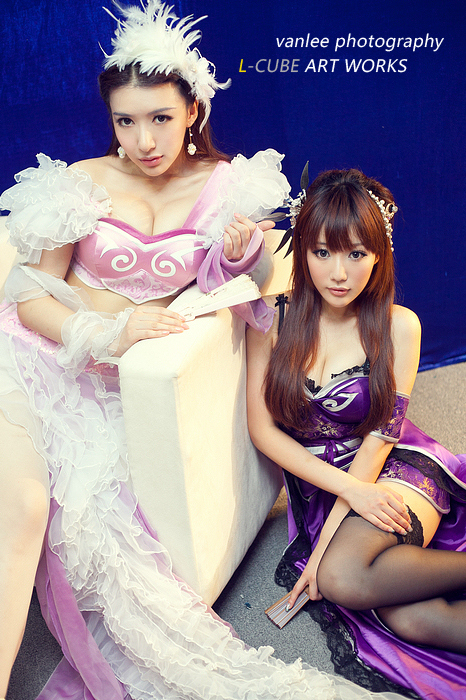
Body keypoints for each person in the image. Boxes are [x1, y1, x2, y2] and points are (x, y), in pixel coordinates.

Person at [0, 2, 409, 699]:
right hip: (33, 361)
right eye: (125, 121)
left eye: (160, 117)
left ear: (193, 110)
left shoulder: (227, 189)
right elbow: (30, 299)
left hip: (112, 386)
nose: (143, 140)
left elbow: (249, 287)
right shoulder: (80, 182)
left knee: (62, 529)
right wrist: (107, 331)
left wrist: (241, 254)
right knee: (26, 507)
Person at [247, 168, 466, 700]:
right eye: (322, 252)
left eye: (356, 253)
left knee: (341, 578)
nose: (339, 273)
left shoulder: (398, 325)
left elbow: (380, 440)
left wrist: (323, 551)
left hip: (395, 469)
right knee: (408, 619)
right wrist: (345, 493)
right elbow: (262, 430)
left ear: (379, 254)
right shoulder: (272, 320)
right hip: (332, 486)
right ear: (302, 250)